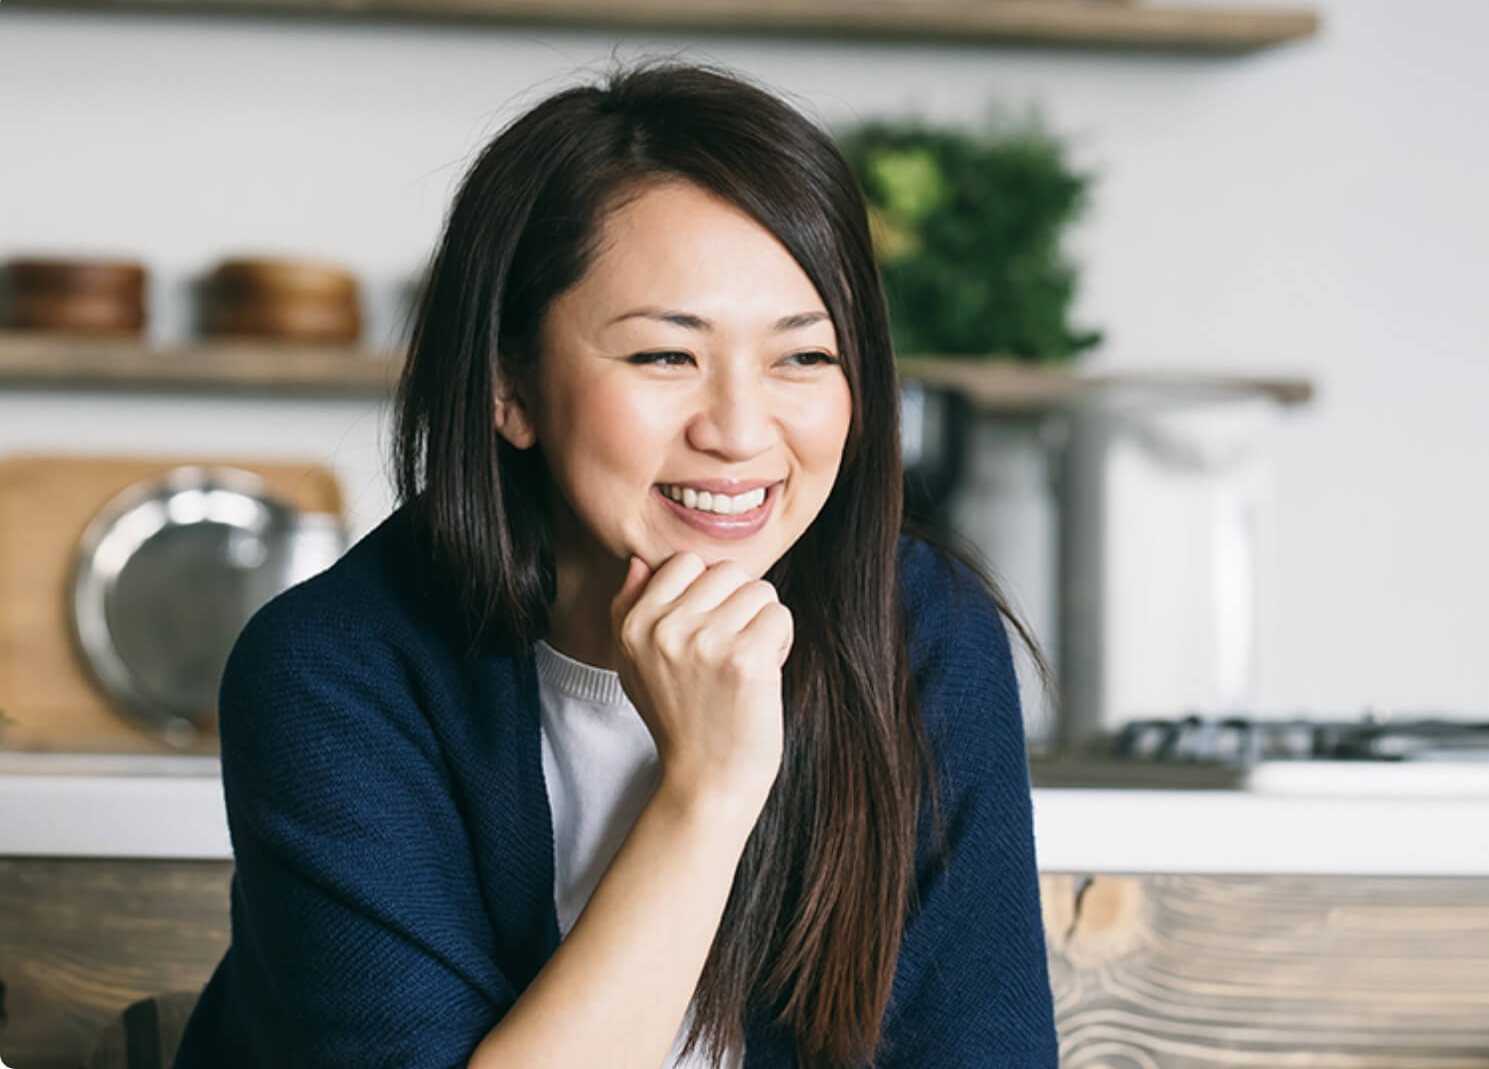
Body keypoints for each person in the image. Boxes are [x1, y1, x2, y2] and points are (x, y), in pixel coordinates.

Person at [172, 60, 1058, 1069]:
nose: (737, 430)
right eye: (663, 357)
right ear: (510, 386)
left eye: (804, 358)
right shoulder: (333, 671)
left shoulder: (918, 632)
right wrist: (707, 792)